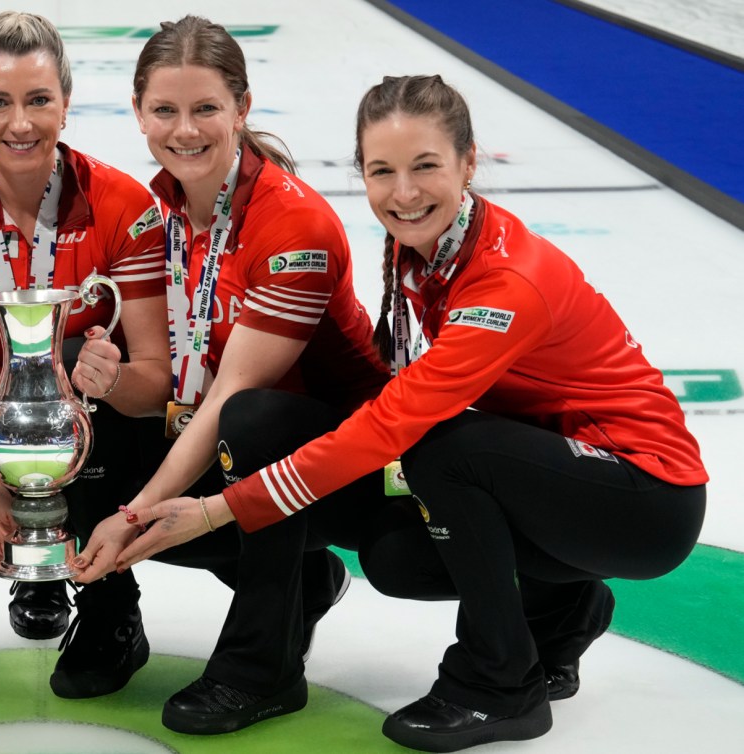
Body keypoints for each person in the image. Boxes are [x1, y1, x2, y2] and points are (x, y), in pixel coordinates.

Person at [99, 74, 708, 752]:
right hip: (552, 478)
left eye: (426, 167)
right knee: (394, 554)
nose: (404, 193)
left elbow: (397, 423)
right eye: (382, 171)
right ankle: (560, 608)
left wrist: (218, 508)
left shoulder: (505, 280)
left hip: (643, 497)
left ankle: (499, 683)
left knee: (443, 448)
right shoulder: (419, 245)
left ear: (468, 163)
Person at [72, 16, 391, 736]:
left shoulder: (291, 226)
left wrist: (132, 517)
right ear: (137, 112)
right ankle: (111, 622)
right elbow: (164, 381)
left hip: (344, 464)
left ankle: (263, 669)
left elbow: (228, 400)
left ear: (242, 109)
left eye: (205, 108)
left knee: (253, 421)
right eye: (164, 110)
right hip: (220, 442)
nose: (184, 130)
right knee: (78, 411)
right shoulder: (149, 210)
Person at [0, 11, 173, 698]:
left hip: (108, 427)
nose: (19, 122)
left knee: (86, 433)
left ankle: (112, 614)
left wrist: (107, 383)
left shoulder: (123, 205)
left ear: (66, 101)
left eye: (37, 100)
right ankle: (36, 566)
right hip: (15, 430)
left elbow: (153, 382)